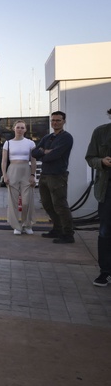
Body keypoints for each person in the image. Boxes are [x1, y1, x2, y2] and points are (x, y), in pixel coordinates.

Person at [31, 111, 75, 244]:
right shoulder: (47, 137)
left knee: (60, 205)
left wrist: (44, 153)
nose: (55, 123)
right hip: (44, 175)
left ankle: (68, 234)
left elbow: (54, 155)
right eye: (53, 120)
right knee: (47, 204)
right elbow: (34, 153)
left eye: (58, 120)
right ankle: (57, 229)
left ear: (64, 122)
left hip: (57, 176)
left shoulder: (66, 138)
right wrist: (45, 152)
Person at [85, 108, 111, 286]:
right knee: (105, 231)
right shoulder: (101, 132)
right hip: (107, 189)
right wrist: (101, 161)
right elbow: (90, 157)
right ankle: (105, 272)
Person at [1, 120, 37, 235]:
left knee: (27, 201)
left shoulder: (30, 143)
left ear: (25, 129)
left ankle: (27, 224)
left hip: (26, 170)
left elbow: (33, 160)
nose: (20, 130)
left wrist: (33, 175)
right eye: (18, 127)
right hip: (12, 170)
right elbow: (4, 161)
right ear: (14, 129)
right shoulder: (8, 143)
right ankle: (16, 226)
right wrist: (4, 175)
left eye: (22, 128)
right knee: (13, 201)